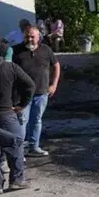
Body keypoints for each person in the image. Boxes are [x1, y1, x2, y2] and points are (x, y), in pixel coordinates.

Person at [0, 38, 35, 194]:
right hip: (7, 113)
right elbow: (30, 85)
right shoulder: (10, 67)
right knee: (15, 145)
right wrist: (22, 104)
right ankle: (16, 180)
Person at [12, 27, 60, 157]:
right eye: (27, 37)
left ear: (39, 37)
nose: (30, 39)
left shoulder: (46, 50)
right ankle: (19, 152)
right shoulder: (16, 51)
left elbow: (56, 66)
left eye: (32, 37)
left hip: (41, 93)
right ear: (23, 37)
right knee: (22, 122)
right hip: (22, 95)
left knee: (36, 120)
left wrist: (53, 84)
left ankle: (34, 147)